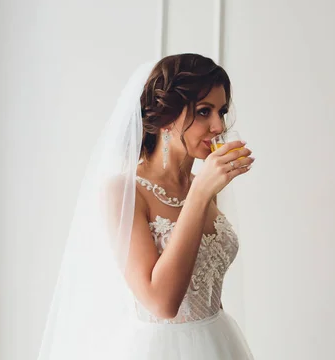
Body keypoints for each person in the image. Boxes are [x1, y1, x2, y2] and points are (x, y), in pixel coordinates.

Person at [37, 54, 255, 359]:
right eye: (204, 112)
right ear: (165, 117)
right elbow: (162, 303)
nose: (218, 126)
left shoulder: (203, 186)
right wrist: (201, 194)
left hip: (218, 342)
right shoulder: (124, 191)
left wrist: (202, 189)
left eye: (222, 111)